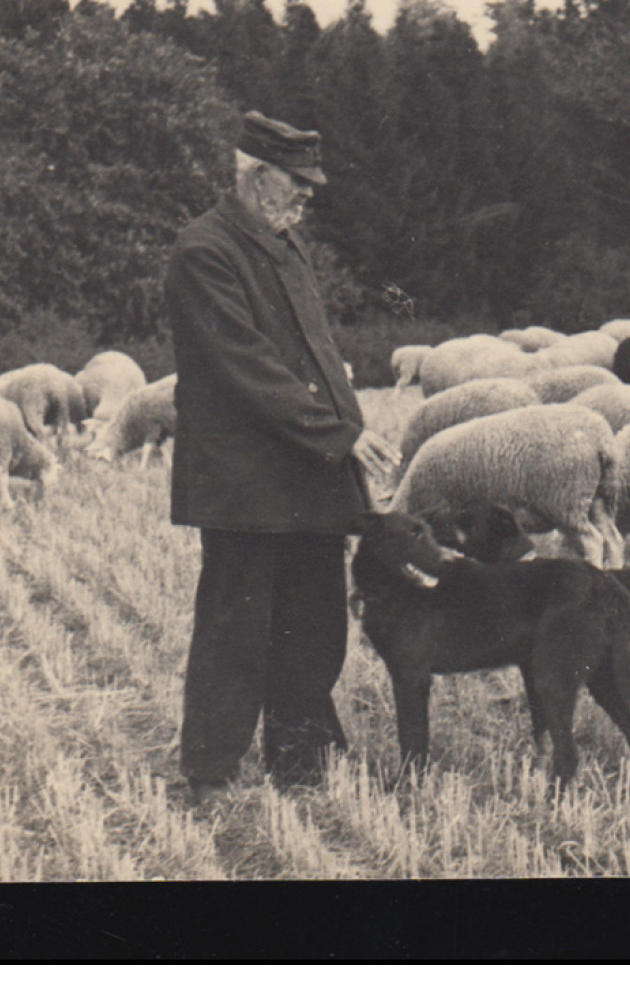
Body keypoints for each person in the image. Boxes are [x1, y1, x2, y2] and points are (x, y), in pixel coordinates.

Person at [165, 110, 400, 805]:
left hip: (308, 471)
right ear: (257, 175)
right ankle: (210, 772)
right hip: (245, 481)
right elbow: (249, 367)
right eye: (298, 184)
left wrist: (346, 432)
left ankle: (300, 757)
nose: (308, 197)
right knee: (236, 623)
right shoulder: (203, 251)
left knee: (315, 618)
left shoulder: (285, 244)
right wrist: (340, 433)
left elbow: (316, 355)